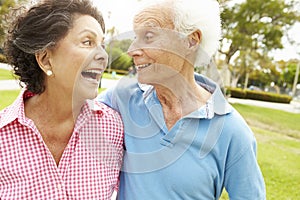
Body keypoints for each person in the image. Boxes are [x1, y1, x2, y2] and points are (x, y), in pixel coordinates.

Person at [98, 0, 266, 199]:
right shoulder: (122, 97)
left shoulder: (232, 131)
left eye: (148, 36)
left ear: (191, 41)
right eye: (136, 37)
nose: (132, 49)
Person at [0, 0, 123, 199]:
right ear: (45, 59)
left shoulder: (114, 128)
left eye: (102, 45)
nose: (103, 56)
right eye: (87, 42)